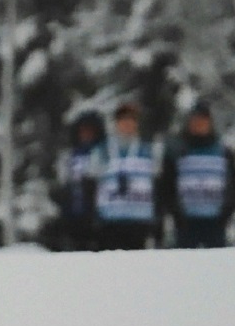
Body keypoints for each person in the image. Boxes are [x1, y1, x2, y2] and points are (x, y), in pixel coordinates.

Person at [159, 101, 234, 249]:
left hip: (216, 223)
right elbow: (167, 186)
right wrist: (176, 215)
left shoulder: (224, 152)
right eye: (195, 120)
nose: (199, 124)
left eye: (203, 120)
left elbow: (232, 186)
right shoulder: (177, 152)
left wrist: (225, 214)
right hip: (186, 224)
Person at [92, 101, 159, 251]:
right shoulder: (102, 151)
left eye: (131, 120)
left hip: (139, 222)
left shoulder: (148, 150)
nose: (127, 124)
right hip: (110, 222)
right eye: (123, 120)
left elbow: (158, 183)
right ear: (116, 123)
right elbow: (92, 182)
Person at [49, 110, 105, 252]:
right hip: (72, 213)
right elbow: (61, 182)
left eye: (90, 131)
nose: (86, 135)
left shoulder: (102, 154)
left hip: (97, 214)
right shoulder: (68, 156)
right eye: (83, 131)